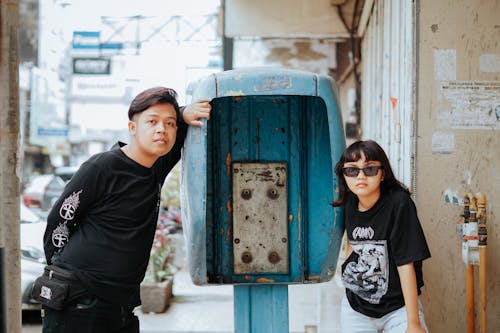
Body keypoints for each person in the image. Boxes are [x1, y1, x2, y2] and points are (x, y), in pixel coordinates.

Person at [41, 87, 211, 333]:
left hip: (121, 304)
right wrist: (60, 270)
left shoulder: (155, 168)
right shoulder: (103, 167)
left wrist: (182, 113)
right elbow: (60, 219)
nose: (161, 129)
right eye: (151, 122)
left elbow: (179, 126)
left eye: (169, 124)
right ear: (133, 128)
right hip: (80, 303)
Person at [332, 140, 431, 333]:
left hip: (398, 307)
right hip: (357, 306)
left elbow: (405, 264)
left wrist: (413, 323)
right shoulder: (350, 202)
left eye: (369, 169)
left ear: (382, 173)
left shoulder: (399, 204)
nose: (360, 176)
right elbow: (351, 244)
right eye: (352, 170)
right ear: (344, 175)